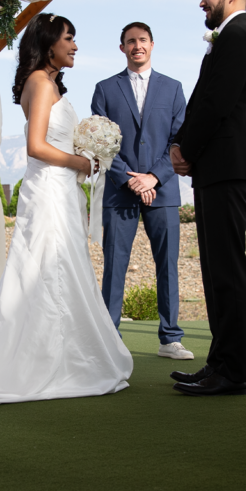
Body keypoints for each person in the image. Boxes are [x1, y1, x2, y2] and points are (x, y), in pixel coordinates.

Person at [0, 12, 132, 406]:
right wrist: (82, 162)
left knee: (48, 270)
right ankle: (53, 363)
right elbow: (36, 147)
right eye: (69, 38)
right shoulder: (41, 84)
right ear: (48, 44)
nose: (75, 45)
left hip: (55, 190)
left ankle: (55, 354)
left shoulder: (42, 82)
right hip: (50, 190)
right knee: (48, 269)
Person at [169, 0, 246, 396]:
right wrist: (183, 144)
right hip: (216, 165)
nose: (202, 2)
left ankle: (233, 371)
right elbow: (203, 99)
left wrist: (185, 149)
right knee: (214, 270)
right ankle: (218, 363)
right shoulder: (229, 37)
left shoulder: (242, 35)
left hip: (227, 164)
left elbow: (217, 104)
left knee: (227, 270)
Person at [91, 21, 191, 359]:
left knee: (168, 264)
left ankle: (170, 338)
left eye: (143, 40)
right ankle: (109, 337)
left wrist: (153, 178)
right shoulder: (105, 89)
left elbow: (179, 139)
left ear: (152, 44)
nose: (137, 46)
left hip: (162, 191)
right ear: (122, 48)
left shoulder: (174, 88)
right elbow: (100, 143)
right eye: (130, 41)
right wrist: (130, 178)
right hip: (120, 191)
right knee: (114, 264)